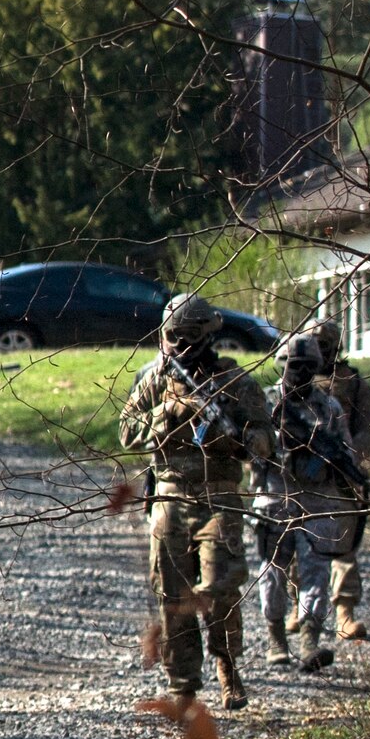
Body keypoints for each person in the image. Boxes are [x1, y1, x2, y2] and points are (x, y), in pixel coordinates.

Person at [118, 294, 274, 710]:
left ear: (206, 334)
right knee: (172, 596)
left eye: (188, 337)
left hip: (220, 497)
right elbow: (126, 431)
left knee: (221, 587)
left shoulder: (234, 381)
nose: (180, 346)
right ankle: (183, 686)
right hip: (170, 496)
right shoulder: (154, 379)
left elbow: (264, 437)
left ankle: (227, 664)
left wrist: (238, 437)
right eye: (174, 337)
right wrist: (165, 414)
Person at [254, 334, 361, 673]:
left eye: (306, 367)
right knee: (273, 571)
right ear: (280, 364)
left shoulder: (328, 407)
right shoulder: (266, 402)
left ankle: (310, 641)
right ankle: (276, 639)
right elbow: (249, 446)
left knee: (316, 571)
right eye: (292, 366)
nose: (298, 373)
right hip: (274, 496)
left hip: (316, 499)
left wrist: (334, 462)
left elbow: (345, 448)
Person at [308, 319, 370, 641]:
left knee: (344, 545)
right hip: (303, 477)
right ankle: (301, 610)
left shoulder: (354, 382)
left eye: (324, 345)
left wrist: (351, 454)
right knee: (299, 542)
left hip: (340, 476)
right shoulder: (295, 380)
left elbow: (367, 428)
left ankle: (345, 612)